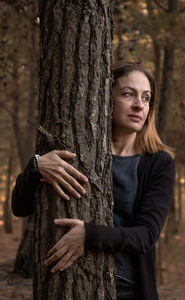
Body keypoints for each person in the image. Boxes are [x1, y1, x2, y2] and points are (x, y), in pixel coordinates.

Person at [12, 62, 175, 300]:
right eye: (128, 94)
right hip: (66, 285)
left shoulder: (159, 163)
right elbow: (19, 207)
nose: (139, 105)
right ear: (106, 97)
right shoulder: (78, 148)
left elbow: (146, 236)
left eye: (146, 97)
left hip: (128, 290)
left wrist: (90, 235)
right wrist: (36, 166)